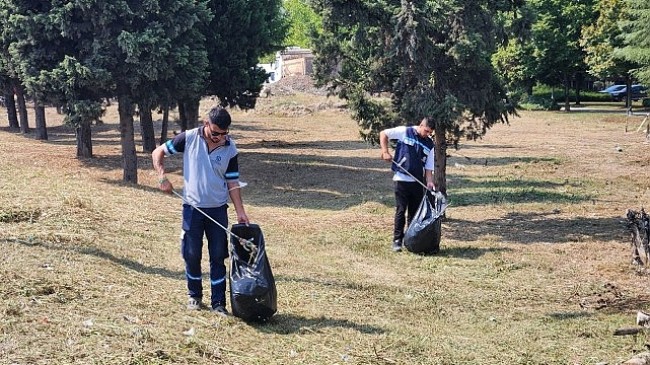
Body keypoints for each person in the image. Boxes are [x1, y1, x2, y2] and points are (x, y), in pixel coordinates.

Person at [152, 106, 249, 316]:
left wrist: (240, 211)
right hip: (192, 209)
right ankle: (194, 296)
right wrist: (162, 177)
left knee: (218, 256)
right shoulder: (188, 138)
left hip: (217, 211)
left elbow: (232, 182)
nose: (220, 138)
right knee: (192, 253)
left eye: (224, 134)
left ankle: (218, 303)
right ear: (206, 125)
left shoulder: (230, 148)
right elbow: (157, 152)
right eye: (216, 133)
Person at [379, 117, 435, 252]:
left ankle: (410, 240)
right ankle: (397, 241)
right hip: (401, 180)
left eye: (430, 133)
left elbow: (428, 167)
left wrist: (429, 181)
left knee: (414, 214)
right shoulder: (405, 132)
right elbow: (384, 133)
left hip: (416, 182)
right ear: (421, 125)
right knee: (401, 210)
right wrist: (385, 151)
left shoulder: (429, 144)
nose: (427, 134)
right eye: (426, 131)